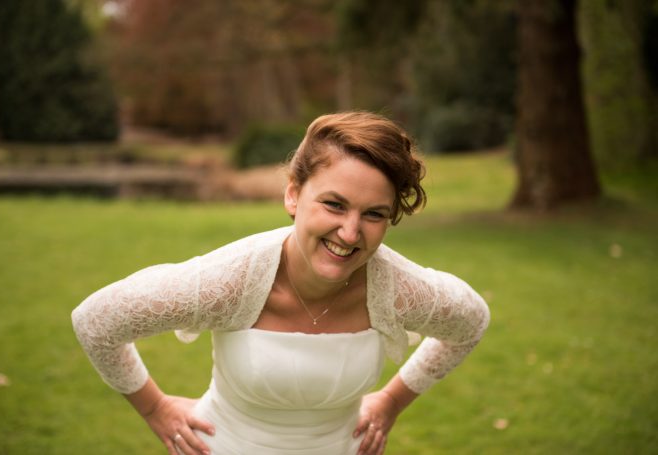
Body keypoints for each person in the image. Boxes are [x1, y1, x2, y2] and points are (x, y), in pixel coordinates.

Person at [72, 111, 490, 455]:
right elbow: (96, 321)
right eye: (334, 204)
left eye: (374, 214)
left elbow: (471, 323)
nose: (350, 233)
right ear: (293, 195)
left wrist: (392, 400)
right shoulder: (229, 281)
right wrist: (155, 409)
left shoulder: (398, 290)